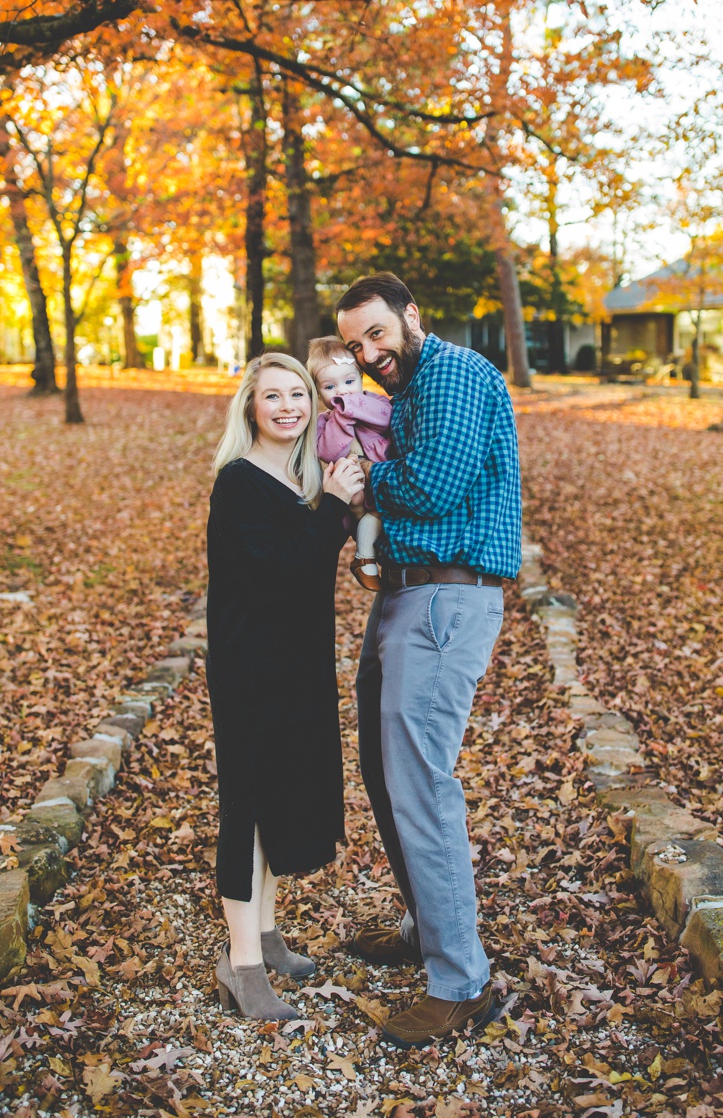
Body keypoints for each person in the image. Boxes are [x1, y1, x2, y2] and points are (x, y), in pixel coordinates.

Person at [336, 272, 523, 1048]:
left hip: (448, 600)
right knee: (385, 768)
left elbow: (433, 486)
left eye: (377, 334)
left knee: (419, 778)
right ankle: (427, 924)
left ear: (411, 316)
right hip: (407, 597)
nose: (369, 353)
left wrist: (357, 484)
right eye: (354, 345)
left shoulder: (452, 372)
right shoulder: (408, 388)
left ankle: (460, 982)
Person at [205, 352, 365, 1020]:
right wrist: (332, 507)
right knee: (247, 806)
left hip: (296, 663)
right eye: (273, 396)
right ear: (250, 407)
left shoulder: (301, 473)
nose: (289, 407)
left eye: (298, 394)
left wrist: (335, 501)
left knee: (277, 799)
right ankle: (242, 969)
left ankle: (265, 937)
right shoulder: (240, 481)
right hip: (251, 667)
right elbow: (280, 570)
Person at [309, 335, 392, 592]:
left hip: (383, 485)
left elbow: (386, 419)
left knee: (379, 519)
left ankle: (365, 557)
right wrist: (341, 419)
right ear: (318, 391)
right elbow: (329, 450)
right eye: (330, 387)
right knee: (353, 517)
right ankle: (364, 556)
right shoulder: (325, 422)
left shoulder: (374, 403)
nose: (342, 391)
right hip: (352, 491)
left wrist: (351, 406)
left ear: (360, 378)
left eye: (349, 381)